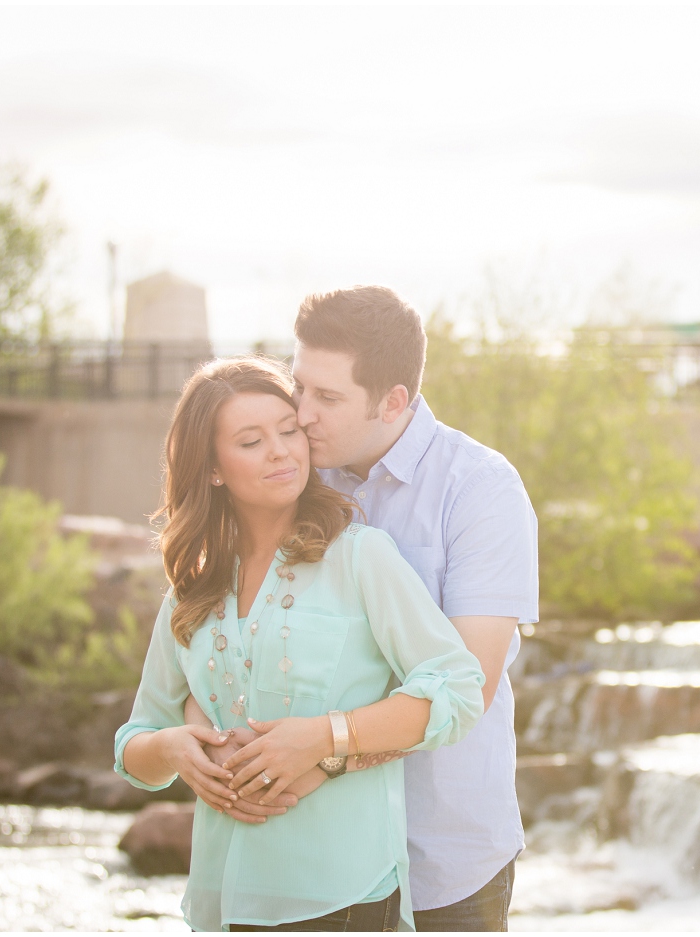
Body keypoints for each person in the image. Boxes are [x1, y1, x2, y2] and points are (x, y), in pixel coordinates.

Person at [182, 286, 539, 931]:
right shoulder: (293, 474)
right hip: (315, 860)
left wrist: (324, 752)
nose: (303, 413)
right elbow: (225, 631)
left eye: (328, 397)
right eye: (300, 386)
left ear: (393, 401)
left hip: (442, 852)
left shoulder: (481, 492)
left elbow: (470, 685)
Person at [115, 356, 486, 932]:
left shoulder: (361, 557)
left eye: (289, 431)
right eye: (251, 441)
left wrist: (325, 738)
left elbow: (458, 690)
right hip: (223, 898)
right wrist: (173, 751)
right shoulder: (191, 592)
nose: (282, 451)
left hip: (344, 894)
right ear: (213, 468)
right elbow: (134, 744)